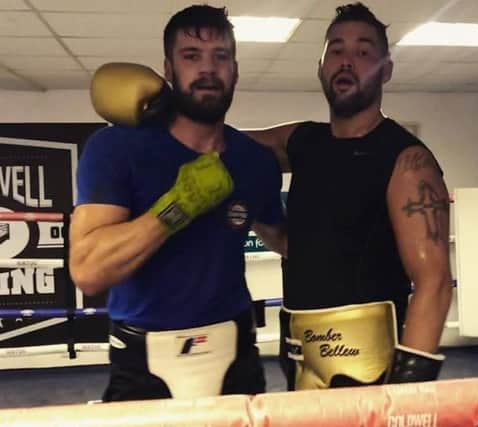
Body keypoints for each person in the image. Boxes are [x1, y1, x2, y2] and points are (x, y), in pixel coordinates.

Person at [89, 2, 452, 391]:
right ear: (321, 66)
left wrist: (409, 392)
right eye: (336, 49)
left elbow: (435, 282)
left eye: (364, 52)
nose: (347, 61)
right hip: (302, 351)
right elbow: (219, 145)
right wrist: (162, 111)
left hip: (371, 358)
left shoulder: (407, 160)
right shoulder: (303, 140)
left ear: (387, 68)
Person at [69, 4, 286, 402]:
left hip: (235, 351)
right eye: (192, 56)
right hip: (143, 360)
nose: (208, 69)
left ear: (235, 70)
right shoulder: (117, 148)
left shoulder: (252, 162)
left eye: (220, 57)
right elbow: (88, 270)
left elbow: (285, 240)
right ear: (168, 70)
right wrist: (175, 208)